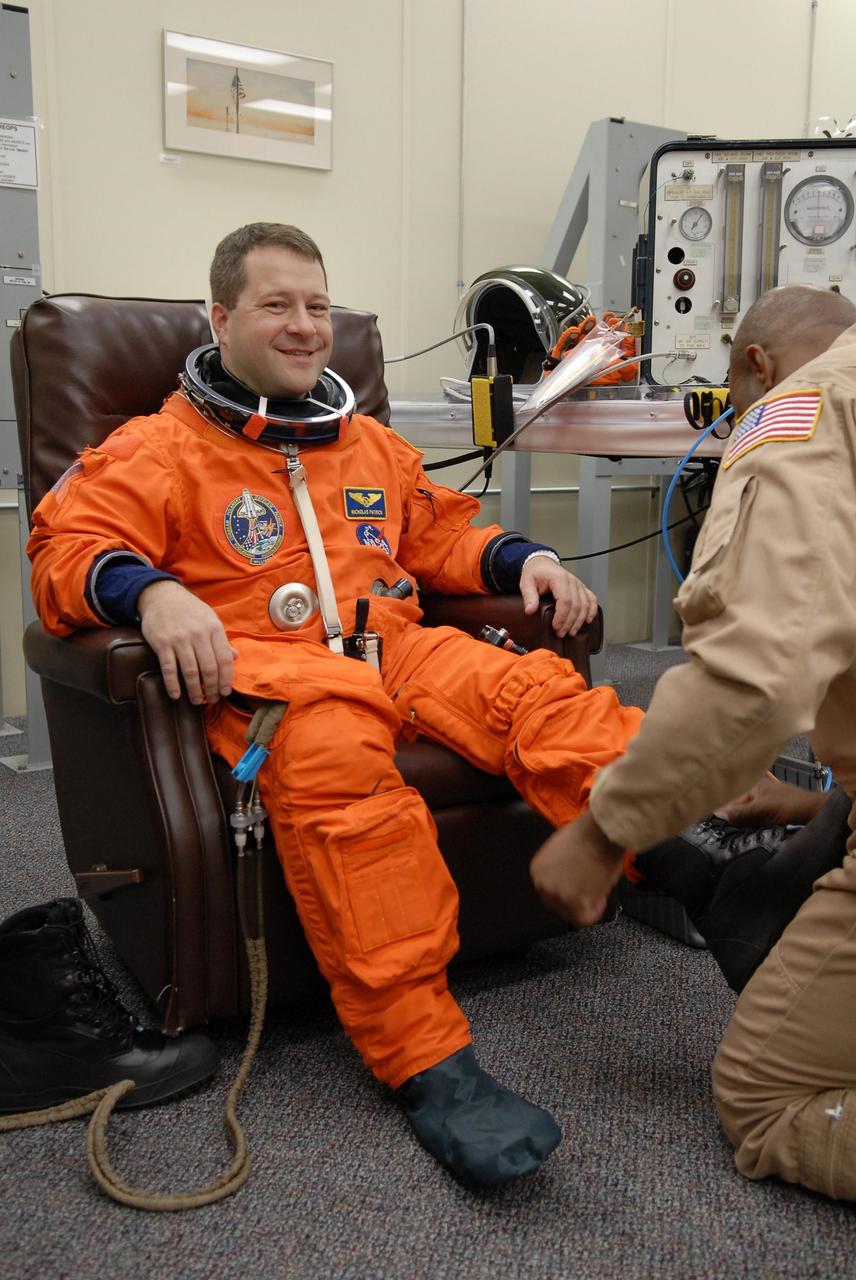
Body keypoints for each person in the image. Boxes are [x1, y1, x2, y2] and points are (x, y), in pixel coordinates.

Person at [26, 222, 643, 1187]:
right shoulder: (158, 449)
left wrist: (528, 560)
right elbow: (66, 550)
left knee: (541, 696)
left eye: (317, 306)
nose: (305, 325)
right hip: (276, 674)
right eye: (276, 305)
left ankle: (692, 861)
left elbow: (442, 533)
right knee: (342, 776)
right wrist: (151, 593)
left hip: (394, 645)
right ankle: (431, 1061)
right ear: (221, 318)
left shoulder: (366, 444)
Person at [530, 283, 856, 1201]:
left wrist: (604, 834)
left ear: (756, 364)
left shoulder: (802, 410)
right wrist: (824, 796)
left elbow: (759, 674)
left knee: (763, 1097)